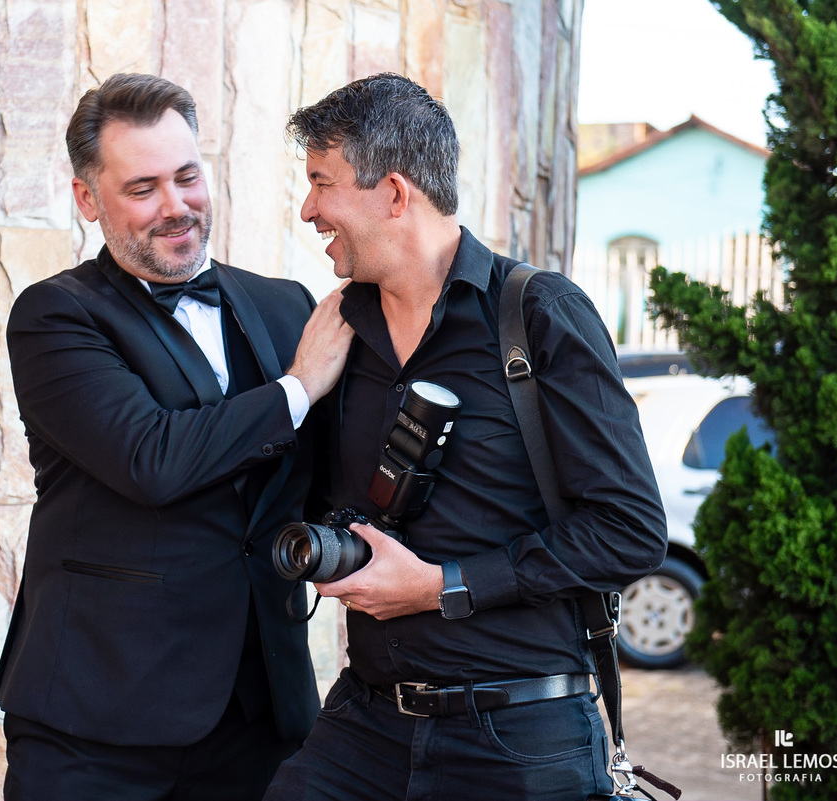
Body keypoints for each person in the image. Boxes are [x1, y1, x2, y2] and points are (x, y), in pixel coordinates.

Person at [263, 73, 668, 801]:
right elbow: (315, 497)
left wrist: (441, 587)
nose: (307, 209)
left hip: (521, 738)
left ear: (393, 193)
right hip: (365, 725)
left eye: (322, 183)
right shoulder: (336, 333)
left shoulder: (539, 314)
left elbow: (630, 531)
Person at [0, 73, 354, 801]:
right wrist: (296, 388)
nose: (176, 206)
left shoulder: (287, 307)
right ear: (88, 200)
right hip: (95, 722)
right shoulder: (56, 317)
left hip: (261, 717)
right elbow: (150, 457)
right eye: (142, 187)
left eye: (187, 177)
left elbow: (327, 476)